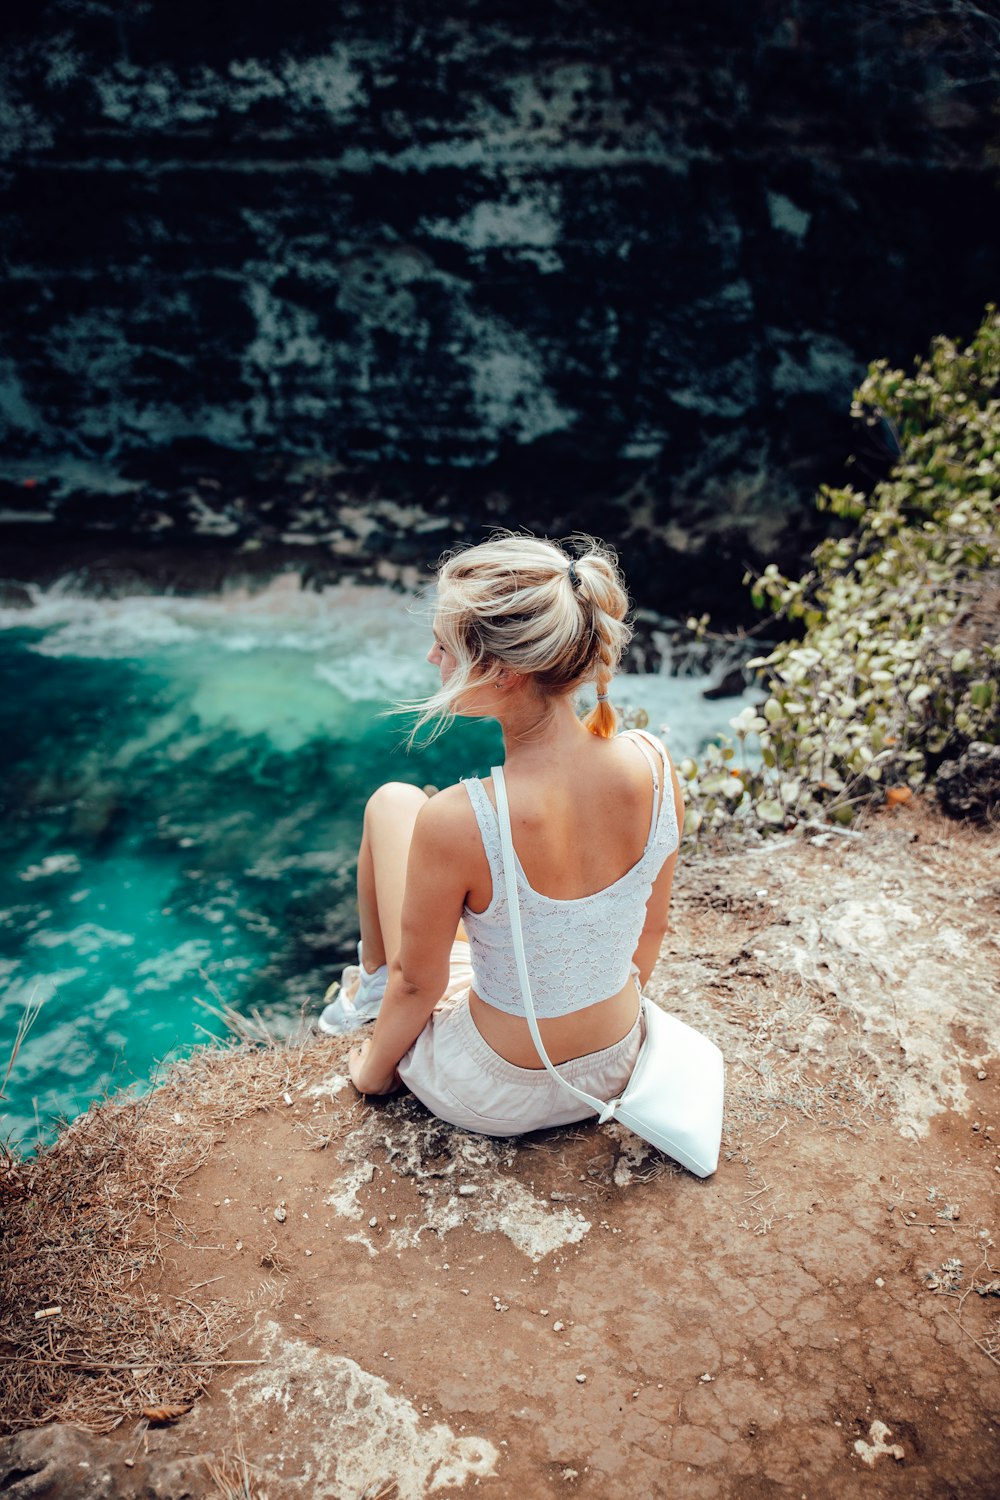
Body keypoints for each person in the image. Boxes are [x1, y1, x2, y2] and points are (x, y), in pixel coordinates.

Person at [317, 533, 684, 1136]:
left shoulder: (463, 817)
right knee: (412, 816)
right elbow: (651, 929)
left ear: (502, 672)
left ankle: (362, 1003)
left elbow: (419, 983)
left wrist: (372, 1076)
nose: (432, 659)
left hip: (494, 1089)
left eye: (442, 645)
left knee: (394, 803)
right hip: (617, 1063)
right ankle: (369, 993)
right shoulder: (654, 763)